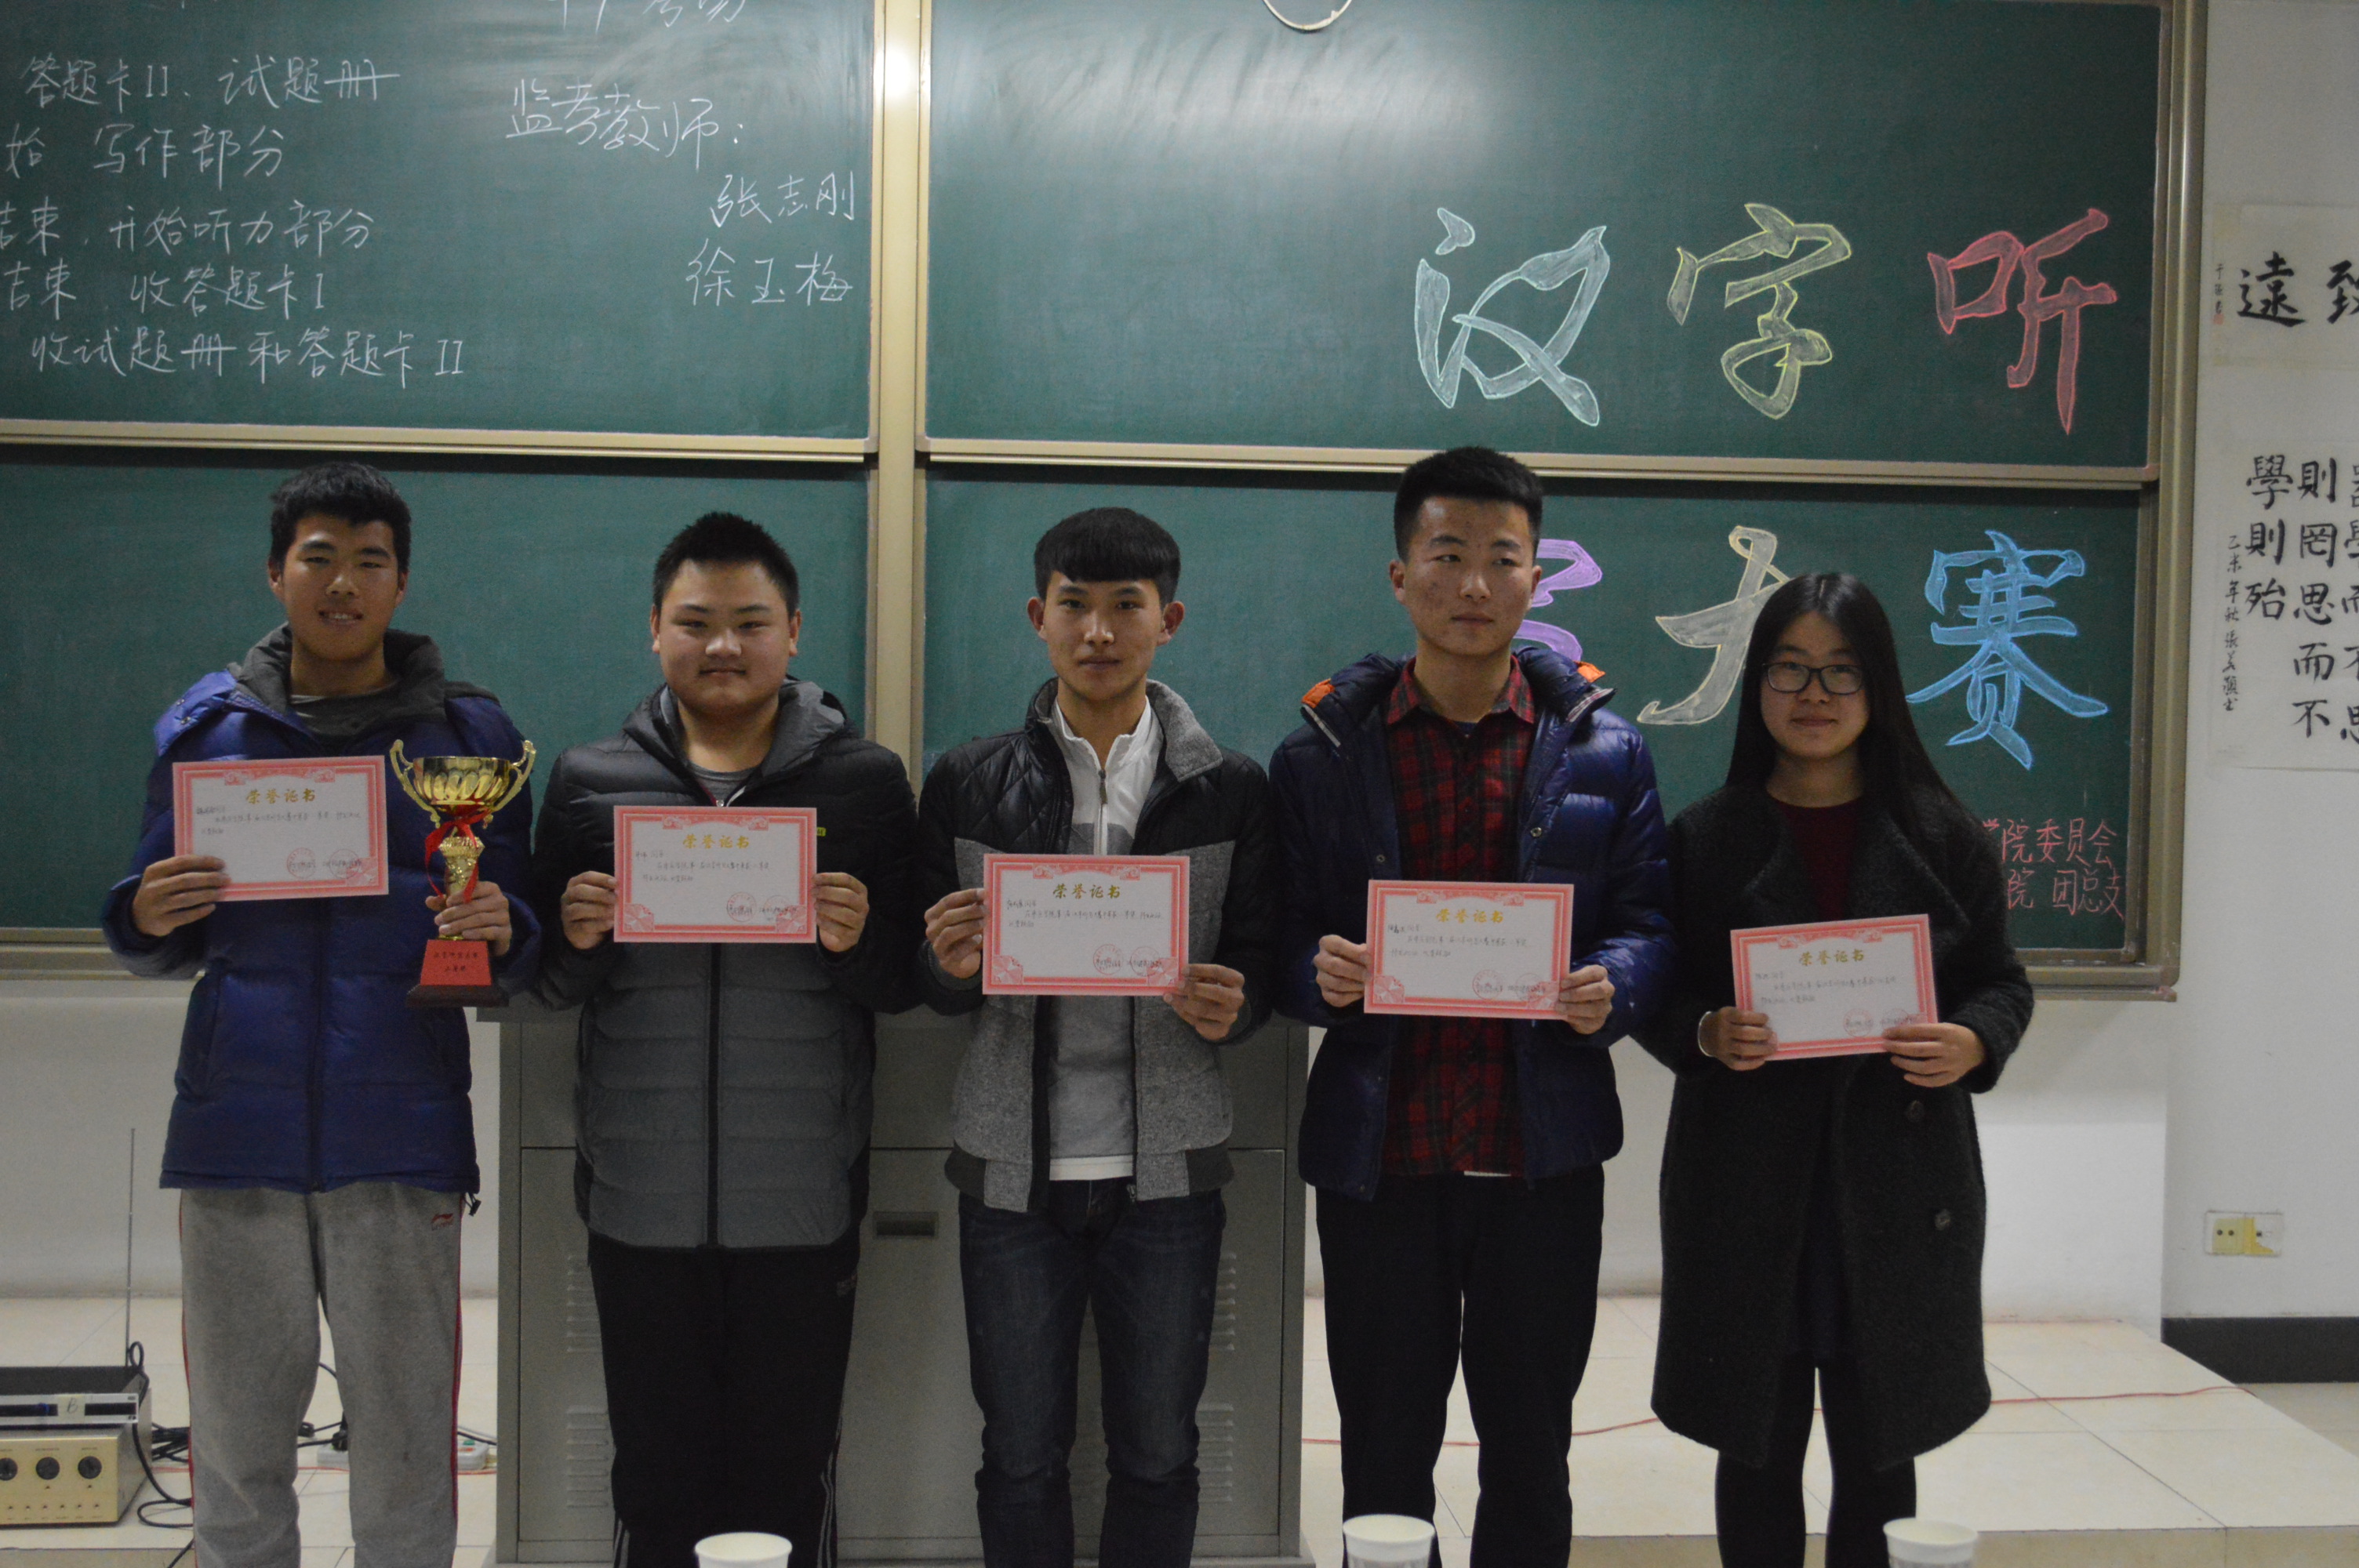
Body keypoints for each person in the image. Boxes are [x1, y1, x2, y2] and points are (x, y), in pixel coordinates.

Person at [100, 461, 538, 1568]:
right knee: (236, 1440)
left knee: (406, 1441)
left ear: (401, 583)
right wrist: (142, 913)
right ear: (275, 572)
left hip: (403, 1129)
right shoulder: (205, 732)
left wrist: (504, 925)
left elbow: (518, 926)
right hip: (234, 1131)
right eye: (319, 557)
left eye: (369, 560)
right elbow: (156, 918)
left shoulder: (470, 739)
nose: (343, 582)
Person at [1268, 445, 1675, 1568]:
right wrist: (1317, 972)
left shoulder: (1607, 753)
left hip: (1540, 1158)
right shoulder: (1320, 758)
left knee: (1532, 1452)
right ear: (1400, 576)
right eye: (1446, 555)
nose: (1474, 585)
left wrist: (1616, 983)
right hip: (1382, 1158)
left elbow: (1650, 920)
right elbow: (1276, 935)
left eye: (1502, 558)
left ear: (1536, 577)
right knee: (1382, 1455)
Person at [529, 512, 918, 1568]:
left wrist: (856, 940)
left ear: (793, 632)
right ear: (654, 629)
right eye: (696, 621)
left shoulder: (865, 782)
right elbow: (548, 982)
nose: (723, 646)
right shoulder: (588, 780)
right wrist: (575, 937)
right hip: (638, 1200)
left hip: (800, 1200)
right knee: (654, 1478)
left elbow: (907, 981)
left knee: (787, 1479)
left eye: (751, 622)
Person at [1633, 572, 2034, 1568]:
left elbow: (1999, 982)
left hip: (1893, 1183)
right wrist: (1704, 1031)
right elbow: (1658, 988)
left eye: (1840, 672)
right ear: (1756, 686)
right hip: (1749, 1181)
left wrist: (1972, 1039)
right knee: (1753, 1442)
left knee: (1878, 1440)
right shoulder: (1705, 837)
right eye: (1789, 669)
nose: (1813, 694)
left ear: (1878, 687)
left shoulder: (1942, 834)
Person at [913, 507, 1277, 1568]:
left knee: (1158, 1453)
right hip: (1011, 1173)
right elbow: (926, 982)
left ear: (1170, 620)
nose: (1100, 631)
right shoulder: (967, 779)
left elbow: (1259, 956)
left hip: (1167, 1175)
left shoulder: (1231, 788)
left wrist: (1240, 1002)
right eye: (1075, 605)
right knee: (1019, 1456)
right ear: (1039, 616)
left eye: (1127, 606)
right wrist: (945, 963)